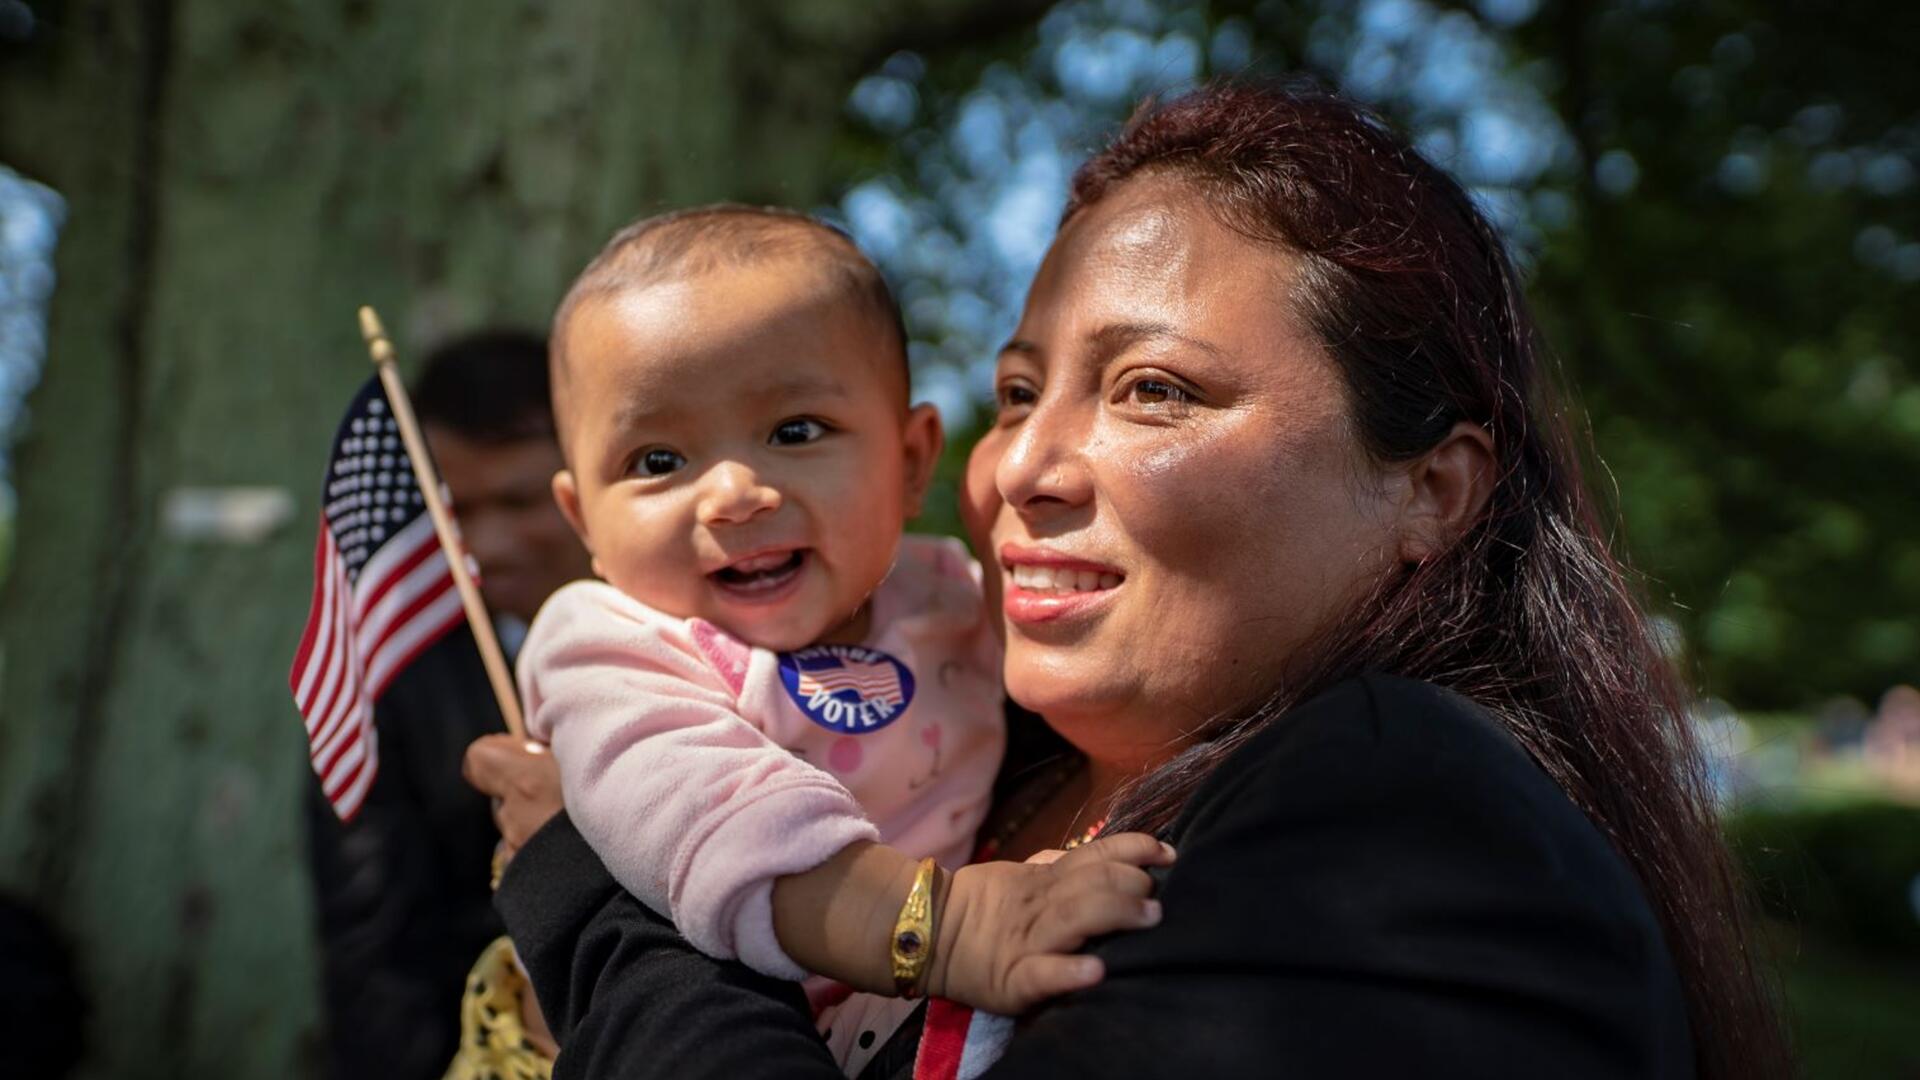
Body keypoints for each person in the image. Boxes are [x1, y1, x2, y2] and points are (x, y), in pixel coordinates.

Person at [466, 83, 1788, 1078]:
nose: (1021, 463)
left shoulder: (1410, 820)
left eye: (1154, 391)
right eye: (1019, 390)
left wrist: (595, 904)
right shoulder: (974, 767)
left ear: (1431, 492)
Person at [512, 206, 1170, 1074]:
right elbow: (715, 821)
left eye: (795, 432)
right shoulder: (605, 645)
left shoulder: (950, 594)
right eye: (658, 461)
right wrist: (949, 928)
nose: (734, 494)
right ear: (581, 518)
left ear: (909, 462)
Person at [305, 329, 591, 1080]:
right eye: (455, 508)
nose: (487, 544)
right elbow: (376, 945)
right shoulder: (390, 680)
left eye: (519, 500)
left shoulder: (704, 631)